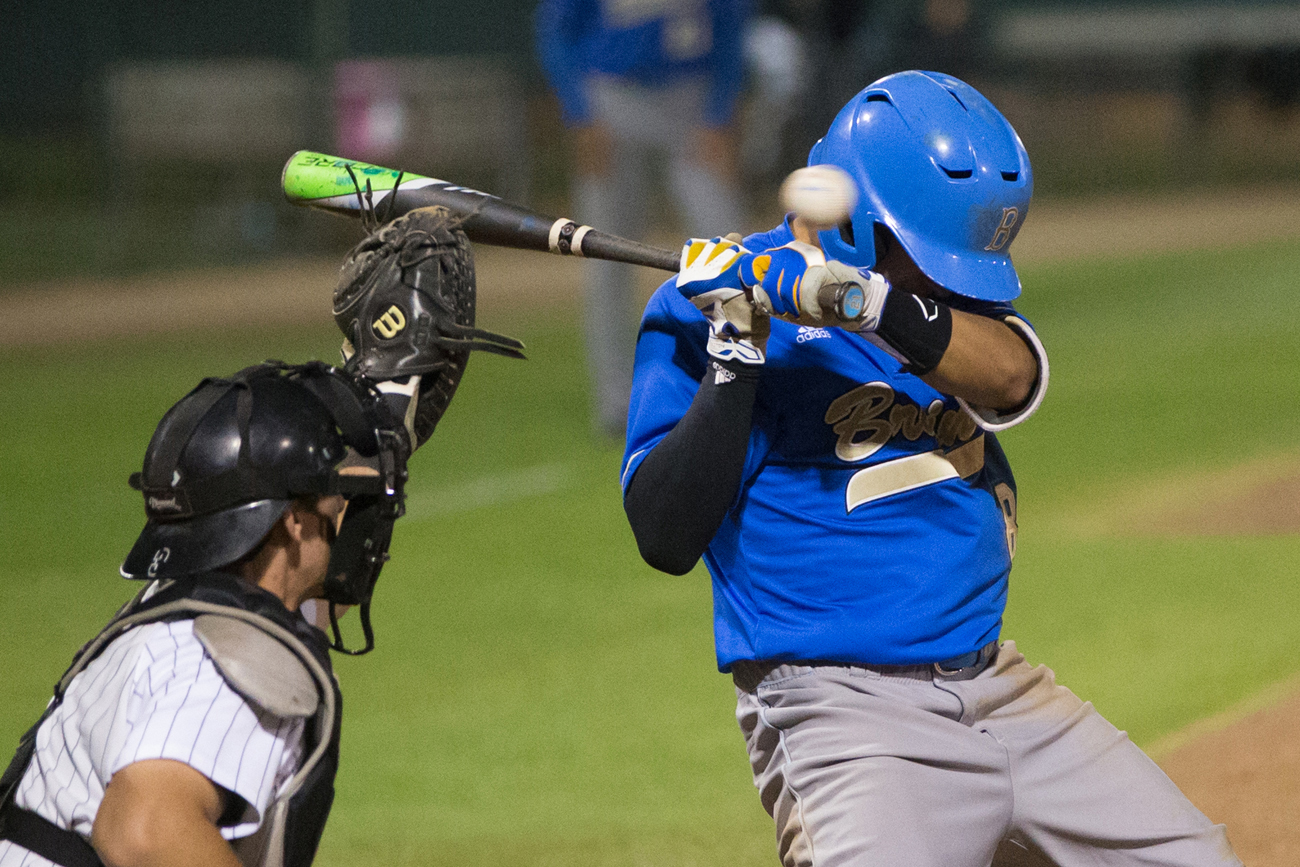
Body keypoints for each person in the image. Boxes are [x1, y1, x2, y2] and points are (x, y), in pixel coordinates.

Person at [620, 70, 1240, 866]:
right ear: (861, 226)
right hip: (847, 716)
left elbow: (1011, 374)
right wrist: (737, 347)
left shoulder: (926, 302)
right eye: (931, 259)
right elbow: (664, 532)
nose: (953, 282)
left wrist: (861, 301)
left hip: (1006, 692)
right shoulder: (700, 313)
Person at [0, 208, 522, 867]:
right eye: (335, 492)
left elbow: (323, 572)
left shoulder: (200, 601)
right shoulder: (222, 662)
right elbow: (144, 832)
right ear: (293, 521)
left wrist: (382, 419)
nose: (348, 508)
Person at [535, 0, 749, 438]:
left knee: (731, 253)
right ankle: (616, 403)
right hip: (610, 95)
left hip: (693, 97)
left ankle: (744, 385)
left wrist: (720, 112)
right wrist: (580, 113)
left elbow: (732, 24)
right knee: (603, 255)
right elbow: (556, 31)